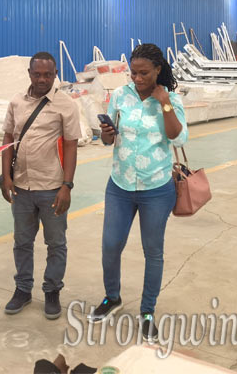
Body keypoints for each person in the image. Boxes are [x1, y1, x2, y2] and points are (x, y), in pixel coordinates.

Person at [89, 43, 188, 342]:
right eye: (133, 72)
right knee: (110, 245)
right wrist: (107, 136)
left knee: (152, 251)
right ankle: (112, 297)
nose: (137, 78)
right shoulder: (120, 96)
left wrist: (164, 102)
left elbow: (178, 135)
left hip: (156, 188)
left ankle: (147, 311)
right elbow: (109, 140)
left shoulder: (171, 98)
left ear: (158, 70)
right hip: (119, 184)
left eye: (144, 72)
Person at [0, 51, 82, 319]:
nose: (43, 79)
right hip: (22, 188)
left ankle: (52, 291)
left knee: (56, 242)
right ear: (29, 74)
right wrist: (7, 177)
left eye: (48, 74)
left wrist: (67, 185)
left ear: (55, 74)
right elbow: (8, 140)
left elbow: (70, 146)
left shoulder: (66, 104)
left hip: (52, 187)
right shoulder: (16, 102)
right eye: (37, 74)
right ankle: (23, 290)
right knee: (22, 242)